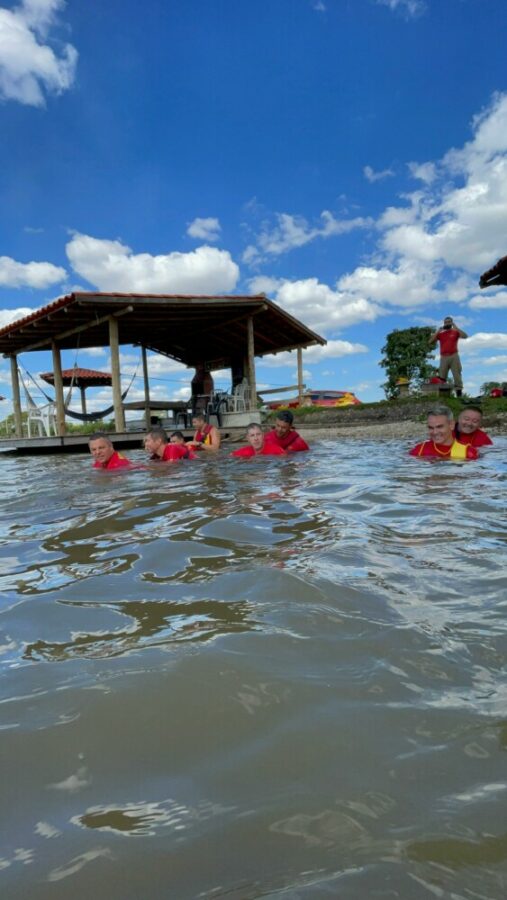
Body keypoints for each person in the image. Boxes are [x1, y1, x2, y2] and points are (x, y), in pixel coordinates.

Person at [409, 406, 478, 460]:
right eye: (431, 428)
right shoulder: (419, 450)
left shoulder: (468, 452)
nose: (435, 432)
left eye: (439, 427)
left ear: (451, 425)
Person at [429, 316, 467, 397]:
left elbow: (465, 336)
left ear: (452, 322)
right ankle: (443, 395)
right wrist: (438, 331)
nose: (447, 323)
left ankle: (459, 395)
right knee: (442, 376)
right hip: (443, 357)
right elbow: (430, 341)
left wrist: (455, 326)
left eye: (449, 322)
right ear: (444, 323)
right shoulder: (441, 334)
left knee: (457, 374)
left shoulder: (455, 332)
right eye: (446, 322)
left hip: (454, 355)